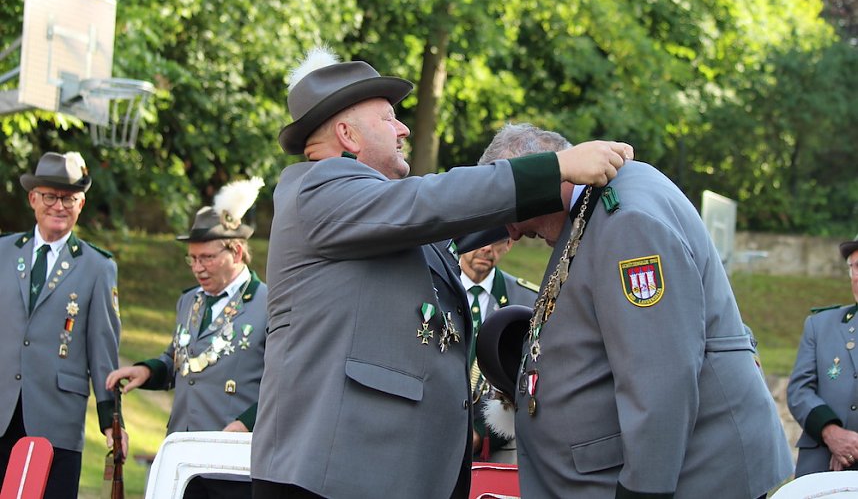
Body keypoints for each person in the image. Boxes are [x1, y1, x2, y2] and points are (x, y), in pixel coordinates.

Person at [250, 46, 633, 499]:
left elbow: (447, 222)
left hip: (377, 474)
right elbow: (430, 203)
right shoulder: (316, 188)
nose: (404, 128)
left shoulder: (373, 211)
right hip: (334, 477)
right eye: (389, 118)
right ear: (348, 135)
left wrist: (541, 205)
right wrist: (555, 170)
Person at [478, 124, 793, 498]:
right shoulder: (599, 205)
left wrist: (645, 489)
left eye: (508, 209)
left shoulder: (627, 220)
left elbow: (661, 373)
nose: (510, 233)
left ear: (542, 180)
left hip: (697, 478)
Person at [106, 178, 267, 499]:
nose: (197, 268)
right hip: (184, 455)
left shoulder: (268, 303)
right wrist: (149, 371)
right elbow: (178, 360)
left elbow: (284, 381)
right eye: (192, 259)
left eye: (206, 258)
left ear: (236, 251)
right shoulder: (189, 301)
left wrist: (246, 424)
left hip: (233, 457)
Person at [0, 151, 126, 499]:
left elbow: (104, 349)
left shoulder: (97, 266)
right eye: (51, 196)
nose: (59, 206)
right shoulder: (3, 252)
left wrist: (112, 422)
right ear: (33, 199)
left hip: (56, 416)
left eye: (68, 198)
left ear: (81, 204)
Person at [459, 238, 536, 463]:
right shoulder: (432, 288)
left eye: (497, 240)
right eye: (479, 238)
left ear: (510, 244)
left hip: (498, 445)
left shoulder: (528, 300)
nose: (486, 247)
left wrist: (482, 434)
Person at [787, 233, 858, 476]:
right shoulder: (821, 324)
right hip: (822, 464)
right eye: (854, 267)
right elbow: (799, 390)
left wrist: (852, 447)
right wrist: (832, 433)